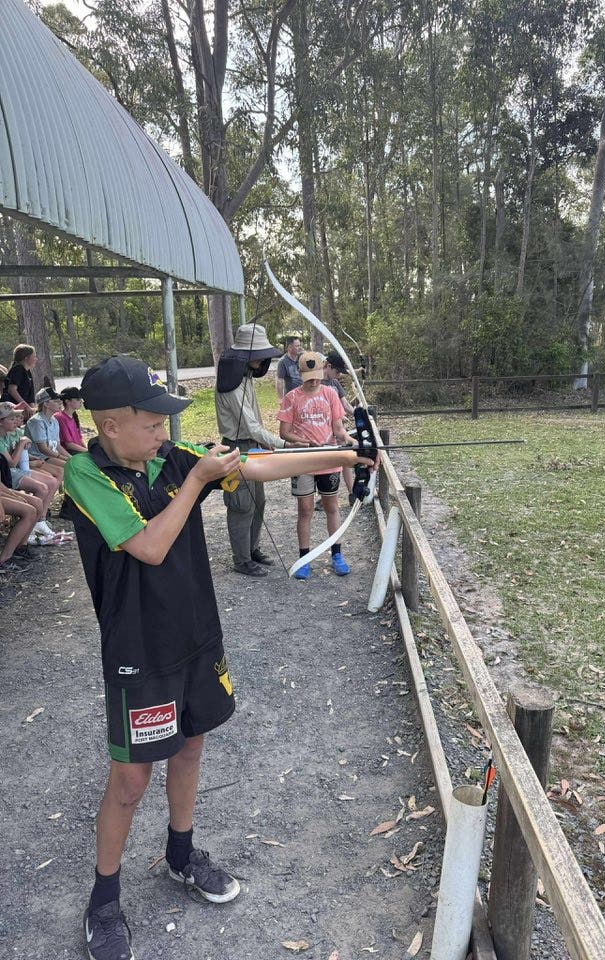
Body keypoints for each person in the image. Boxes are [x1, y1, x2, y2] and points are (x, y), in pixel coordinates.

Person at [61, 355, 376, 960]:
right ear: (111, 426)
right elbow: (149, 546)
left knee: (190, 744)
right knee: (130, 779)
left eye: (163, 424)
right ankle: (104, 901)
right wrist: (197, 482)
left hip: (195, 636)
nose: (164, 433)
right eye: (152, 423)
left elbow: (257, 465)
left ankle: (181, 854)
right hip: (138, 650)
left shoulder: (169, 460)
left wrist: (343, 456)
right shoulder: (86, 474)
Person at [215, 323, 292, 577]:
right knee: (241, 504)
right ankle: (241, 560)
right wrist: (283, 443)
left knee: (259, 500)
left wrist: (265, 441)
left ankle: (252, 548)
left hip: (252, 444)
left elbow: (255, 423)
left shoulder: (244, 377)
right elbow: (249, 425)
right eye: (258, 355)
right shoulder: (233, 384)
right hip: (236, 446)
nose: (263, 360)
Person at [278, 351, 357, 580]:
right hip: (303, 460)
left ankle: (337, 555)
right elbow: (284, 432)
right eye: (309, 377)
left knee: (332, 507)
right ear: (300, 374)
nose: (314, 381)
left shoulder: (330, 394)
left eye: (317, 376)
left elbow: (338, 428)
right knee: (305, 510)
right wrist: (301, 441)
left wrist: (349, 440)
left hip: (328, 460)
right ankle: (304, 557)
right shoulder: (292, 397)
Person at [0, 401, 62, 545]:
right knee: (41, 488)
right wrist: (22, 445)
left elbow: (19, 453)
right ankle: (31, 528)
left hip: (15, 470)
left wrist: (30, 455)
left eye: (16, 418)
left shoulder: (11, 433)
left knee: (52, 482)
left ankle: (40, 521)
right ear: (1, 422)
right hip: (8, 474)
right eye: (11, 418)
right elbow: (11, 463)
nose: (16, 421)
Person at [323, 350, 356, 502]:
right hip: (323, 433)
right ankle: (325, 497)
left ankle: (352, 493)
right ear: (328, 366)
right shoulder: (316, 383)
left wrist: (359, 413)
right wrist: (336, 415)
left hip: (339, 430)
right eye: (337, 371)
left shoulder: (335, 383)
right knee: (326, 465)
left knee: (345, 460)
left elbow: (345, 404)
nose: (339, 375)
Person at [25, 387, 69, 479]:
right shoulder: (37, 421)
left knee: (72, 464)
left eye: (60, 400)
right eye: (56, 401)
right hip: (37, 457)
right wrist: (64, 458)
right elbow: (43, 449)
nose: (60, 403)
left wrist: (70, 457)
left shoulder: (54, 420)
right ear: (46, 403)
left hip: (49, 456)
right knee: (68, 468)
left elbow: (57, 445)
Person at [1, 343, 37, 417]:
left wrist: (32, 410)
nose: (36, 359)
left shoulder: (27, 371)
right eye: (34, 356)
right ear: (26, 358)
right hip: (13, 410)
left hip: (25, 411)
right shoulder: (18, 369)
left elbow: (31, 396)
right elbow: (12, 390)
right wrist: (26, 406)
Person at [55, 386, 88, 454]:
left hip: (79, 451)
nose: (81, 401)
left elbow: (80, 438)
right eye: (78, 399)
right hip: (70, 453)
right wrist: (88, 452)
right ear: (67, 401)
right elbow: (69, 445)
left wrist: (86, 449)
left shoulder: (74, 416)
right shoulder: (60, 417)